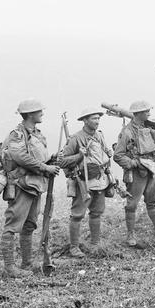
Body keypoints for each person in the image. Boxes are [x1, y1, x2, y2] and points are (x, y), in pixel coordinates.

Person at [0, 99, 60, 277]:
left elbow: (37, 157)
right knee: (12, 226)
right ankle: (10, 268)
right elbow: (20, 157)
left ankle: (26, 264)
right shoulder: (17, 134)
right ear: (30, 114)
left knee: (30, 225)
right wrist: (45, 167)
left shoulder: (37, 134)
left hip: (35, 185)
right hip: (21, 185)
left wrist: (50, 159)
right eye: (39, 111)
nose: (42, 113)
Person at [60, 107, 113, 257]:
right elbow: (62, 161)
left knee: (96, 213)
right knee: (77, 215)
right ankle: (74, 247)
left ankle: (95, 244)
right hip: (83, 182)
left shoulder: (100, 136)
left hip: (100, 180)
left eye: (98, 118)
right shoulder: (75, 139)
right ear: (85, 120)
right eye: (94, 118)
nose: (97, 121)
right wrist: (78, 156)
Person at [113, 101, 155, 246]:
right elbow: (118, 155)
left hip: (150, 170)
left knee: (152, 202)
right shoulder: (127, 132)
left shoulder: (149, 128)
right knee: (132, 205)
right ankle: (130, 236)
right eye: (146, 111)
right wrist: (132, 163)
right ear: (138, 114)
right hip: (136, 173)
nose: (149, 113)